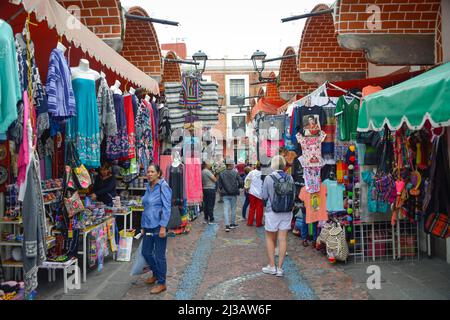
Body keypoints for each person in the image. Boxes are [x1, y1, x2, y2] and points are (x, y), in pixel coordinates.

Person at [261, 155, 294, 277]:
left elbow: (264, 196)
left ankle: (272, 266)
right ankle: (280, 268)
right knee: (283, 239)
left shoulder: (269, 178)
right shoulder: (290, 178)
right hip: (286, 211)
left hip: (272, 211)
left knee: (270, 238)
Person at [141, 164, 172, 294]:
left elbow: (167, 208)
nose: (149, 174)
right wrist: (142, 225)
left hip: (158, 225)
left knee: (159, 256)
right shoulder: (148, 186)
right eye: (148, 172)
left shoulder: (163, 186)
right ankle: (155, 274)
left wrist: (163, 227)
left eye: (152, 172)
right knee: (146, 252)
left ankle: (162, 282)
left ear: (158, 173)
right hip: (147, 225)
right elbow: (146, 207)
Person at [218, 161, 243, 232]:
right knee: (233, 209)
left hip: (225, 193)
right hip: (233, 193)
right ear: (231, 165)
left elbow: (219, 185)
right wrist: (238, 187)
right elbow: (241, 182)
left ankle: (227, 225)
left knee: (226, 209)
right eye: (233, 164)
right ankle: (232, 224)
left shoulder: (221, 173)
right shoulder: (235, 173)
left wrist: (221, 189)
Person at [245, 161, 264, 227]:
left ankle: (250, 222)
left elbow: (246, 180)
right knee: (260, 209)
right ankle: (258, 223)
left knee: (252, 208)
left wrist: (247, 188)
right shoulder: (264, 173)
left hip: (252, 192)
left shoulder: (251, 172)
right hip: (260, 193)